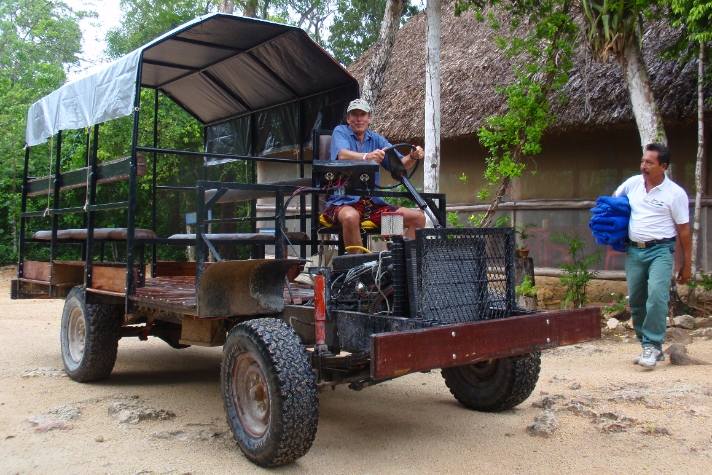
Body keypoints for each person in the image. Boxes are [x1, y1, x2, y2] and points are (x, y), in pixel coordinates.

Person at [613, 143, 691, 369]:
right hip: (634, 250)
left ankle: (652, 345)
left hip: (661, 251)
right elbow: (614, 203)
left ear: (663, 166)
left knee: (656, 296)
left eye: (649, 162)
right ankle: (647, 346)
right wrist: (611, 229)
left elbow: (684, 231)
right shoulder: (633, 184)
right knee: (636, 301)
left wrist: (686, 265)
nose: (643, 166)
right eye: (642, 161)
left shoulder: (674, 194)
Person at [322, 99, 425, 254]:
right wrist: (367, 156)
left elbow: (399, 165)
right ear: (348, 118)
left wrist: (412, 156)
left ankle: (399, 267)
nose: (359, 119)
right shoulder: (340, 131)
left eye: (362, 114)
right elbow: (342, 155)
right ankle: (357, 273)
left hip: (373, 209)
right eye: (354, 115)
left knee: (418, 218)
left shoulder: (376, 138)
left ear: (369, 118)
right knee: (350, 217)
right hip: (343, 202)